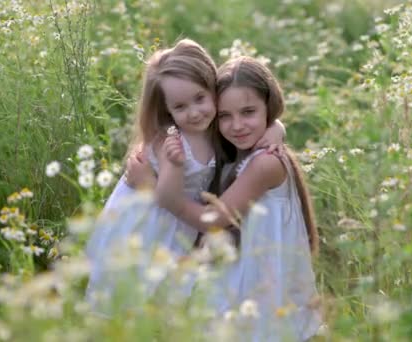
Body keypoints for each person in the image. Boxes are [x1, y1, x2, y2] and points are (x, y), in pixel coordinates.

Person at [85, 40, 285, 313]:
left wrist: (276, 128)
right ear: (168, 110)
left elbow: (255, 117)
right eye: (180, 107)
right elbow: (167, 196)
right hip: (151, 221)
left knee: (168, 295)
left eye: (200, 98)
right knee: (137, 291)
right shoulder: (173, 142)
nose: (194, 112)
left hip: (180, 218)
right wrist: (176, 166)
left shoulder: (217, 124)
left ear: (213, 88)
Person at [133, 56, 322, 341]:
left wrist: (164, 196)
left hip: (264, 278)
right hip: (245, 271)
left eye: (248, 112)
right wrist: (275, 128)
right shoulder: (238, 152)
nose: (237, 126)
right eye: (225, 116)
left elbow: (216, 219)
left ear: (267, 108)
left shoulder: (265, 163)